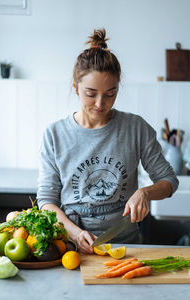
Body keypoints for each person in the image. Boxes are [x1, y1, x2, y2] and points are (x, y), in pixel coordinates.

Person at [37, 29, 178, 254]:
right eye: (91, 94)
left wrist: (145, 193)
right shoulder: (55, 134)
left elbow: (169, 180)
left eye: (110, 94)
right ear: (76, 87)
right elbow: (46, 200)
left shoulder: (135, 128)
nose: (100, 104)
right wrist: (73, 232)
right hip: (71, 250)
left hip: (126, 248)